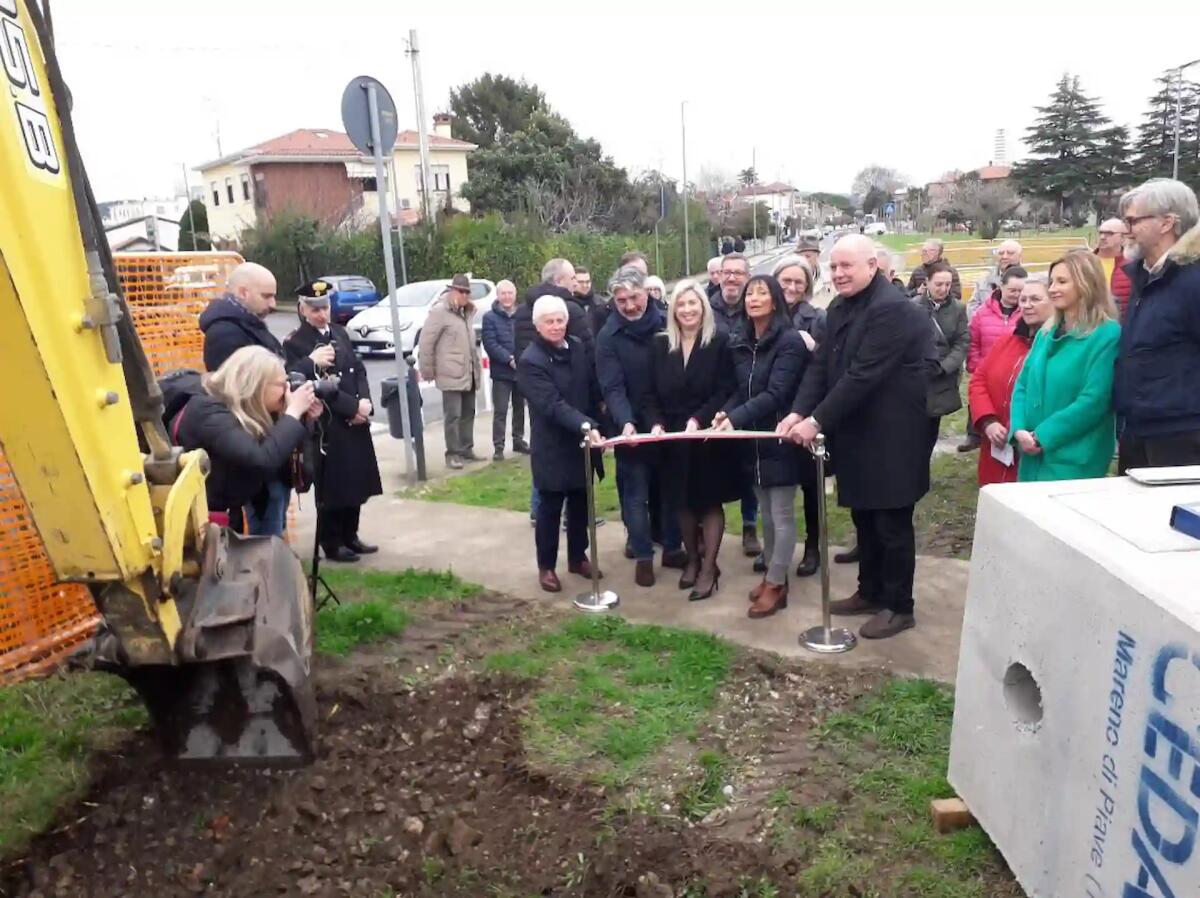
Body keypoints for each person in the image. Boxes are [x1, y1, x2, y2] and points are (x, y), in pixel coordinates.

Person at [780, 234, 933, 640]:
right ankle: (870, 591)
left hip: (892, 437)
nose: (839, 273)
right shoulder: (840, 306)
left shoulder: (892, 311)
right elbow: (821, 366)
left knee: (891, 522)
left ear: (873, 266)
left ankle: (900, 606)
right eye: (833, 267)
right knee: (864, 515)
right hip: (857, 435)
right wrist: (798, 409)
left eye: (847, 266)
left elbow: (863, 375)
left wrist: (815, 422)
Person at [714, 275, 810, 618]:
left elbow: (776, 394)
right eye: (749, 293)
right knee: (766, 514)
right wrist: (727, 410)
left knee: (781, 515)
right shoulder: (742, 340)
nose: (753, 299)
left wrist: (736, 418)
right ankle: (774, 572)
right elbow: (744, 388)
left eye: (761, 293)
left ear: (775, 301)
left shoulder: (789, 341)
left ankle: (775, 584)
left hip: (780, 438)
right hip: (752, 442)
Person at [643, 281, 742, 600]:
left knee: (708, 501)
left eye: (693, 303)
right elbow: (649, 394)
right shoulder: (659, 345)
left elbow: (726, 389)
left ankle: (710, 568)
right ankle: (693, 560)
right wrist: (656, 423)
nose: (687, 310)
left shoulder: (719, 342)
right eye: (681, 304)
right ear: (673, 310)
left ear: (703, 307)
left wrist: (698, 419)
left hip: (707, 435)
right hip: (673, 437)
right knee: (682, 502)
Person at [595, 265, 685, 587]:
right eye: (622, 301)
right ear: (614, 302)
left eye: (634, 297)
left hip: (669, 420)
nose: (630, 306)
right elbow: (612, 386)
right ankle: (644, 556)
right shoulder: (608, 337)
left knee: (671, 489)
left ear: (647, 292)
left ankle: (673, 547)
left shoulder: (667, 321)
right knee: (635, 494)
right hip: (630, 424)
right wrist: (626, 423)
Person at [282, 281, 382, 561]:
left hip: (355, 418)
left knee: (356, 482)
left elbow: (358, 369)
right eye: (315, 310)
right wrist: (351, 408)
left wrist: (365, 402)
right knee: (334, 486)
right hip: (328, 424)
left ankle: (351, 535)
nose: (321, 314)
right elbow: (305, 384)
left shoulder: (339, 331)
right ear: (303, 309)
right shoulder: (296, 342)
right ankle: (332, 541)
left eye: (325, 307)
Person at [175, 346, 321, 532]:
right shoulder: (209, 412)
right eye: (282, 384)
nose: (288, 391)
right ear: (256, 385)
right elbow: (262, 459)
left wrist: (303, 419)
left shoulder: (248, 410)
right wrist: (292, 413)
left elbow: (279, 457)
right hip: (199, 521)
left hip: (227, 512)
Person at [516, 295, 606, 593]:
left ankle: (577, 556)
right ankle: (546, 566)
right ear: (537, 325)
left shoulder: (578, 347)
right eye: (549, 322)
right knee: (550, 509)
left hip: (581, 444)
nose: (556, 326)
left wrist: (599, 421)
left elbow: (591, 388)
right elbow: (551, 404)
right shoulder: (531, 361)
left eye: (560, 320)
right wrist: (585, 425)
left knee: (582, 504)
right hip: (553, 446)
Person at [1009, 250, 1121, 482]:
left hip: (1074, 460)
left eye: (1061, 282)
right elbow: (1023, 384)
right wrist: (1018, 428)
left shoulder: (1107, 335)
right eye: (1051, 282)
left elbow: (1095, 400)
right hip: (1031, 456)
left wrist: (1044, 435)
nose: (1052, 289)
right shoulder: (1045, 332)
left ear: (1085, 284)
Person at [1112, 178, 1200, 471]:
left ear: (1167, 223)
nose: (1127, 229)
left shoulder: (1193, 280)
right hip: (1138, 426)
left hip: (1181, 435)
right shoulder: (1145, 277)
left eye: (1134, 220)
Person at [969, 277, 1053, 487]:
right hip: (997, 447)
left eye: (1035, 298)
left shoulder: (1059, 348)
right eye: (1023, 299)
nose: (1027, 304)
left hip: (1034, 448)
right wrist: (988, 421)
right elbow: (979, 380)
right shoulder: (1007, 341)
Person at [709, 252, 761, 558]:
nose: (731, 279)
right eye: (727, 273)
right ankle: (708, 529)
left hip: (747, 395)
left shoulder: (755, 307)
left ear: (747, 276)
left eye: (738, 273)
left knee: (749, 468)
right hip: (714, 395)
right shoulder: (707, 307)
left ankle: (749, 526)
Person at [417, 274, 483, 470]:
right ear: (452, 291)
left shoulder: (467, 313)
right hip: (449, 371)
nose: (464, 296)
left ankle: (466, 448)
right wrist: (427, 370)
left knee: (469, 412)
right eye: (461, 291)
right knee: (452, 414)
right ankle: (452, 453)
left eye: (467, 292)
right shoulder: (439, 312)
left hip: (468, 370)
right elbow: (426, 342)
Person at [918, 264, 970, 460]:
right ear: (927, 283)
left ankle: (922, 469)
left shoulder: (958, 309)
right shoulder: (912, 306)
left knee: (931, 428)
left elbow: (962, 342)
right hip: (916, 378)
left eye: (947, 284)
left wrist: (944, 367)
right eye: (938, 284)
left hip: (940, 378)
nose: (943, 289)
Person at [199, 261, 283, 371]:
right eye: (266, 296)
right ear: (243, 293)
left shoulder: (246, 324)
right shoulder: (224, 335)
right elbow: (246, 384)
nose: (273, 304)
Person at [481, 279, 529, 461]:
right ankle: (498, 446)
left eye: (510, 293)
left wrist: (522, 359)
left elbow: (528, 338)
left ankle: (518, 440)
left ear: (515, 295)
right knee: (500, 411)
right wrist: (508, 359)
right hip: (501, 372)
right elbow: (490, 343)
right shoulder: (489, 317)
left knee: (519, 408)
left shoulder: (523, 314)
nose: (507, 297)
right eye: (503, 293)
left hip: (521, 370)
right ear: (498, 296)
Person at [513, 258, 592, 363]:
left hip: (529, 375)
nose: (576, 284)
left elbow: (518, 349)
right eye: (573, 278)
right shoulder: (571, 309)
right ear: (559, 281)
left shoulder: (521, 310)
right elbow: (588, 351)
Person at [967, 266, 1026, 376]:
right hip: (986, 375)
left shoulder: (1029, 314)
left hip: (1019, 377)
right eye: (1012, 290)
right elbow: (973, 344)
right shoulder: (981, 313)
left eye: (1021, 291)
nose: (1017, 294)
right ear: (1001, 286)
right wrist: (979, 368)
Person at [968, 239, 1023, 318]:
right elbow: (972, 309)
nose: (1004, 256)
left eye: (1010, 253)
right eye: (1001, 253)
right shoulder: (983, 283)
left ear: (1020, 256)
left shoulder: (1030, 283)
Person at [1095, 218, 1133, 320]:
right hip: (1090, 327)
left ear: (1123, 238)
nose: (1102, 237)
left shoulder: (1133, 266)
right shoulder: (1085, 262)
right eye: (1101, 233)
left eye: (1109, 233)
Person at [797, 237, 835, 309]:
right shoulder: (789, 279)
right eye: (800, 257)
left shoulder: (829, 278)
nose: (803, 260)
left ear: (817, 255)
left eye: (807, 256)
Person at [572, 267, 609, 337]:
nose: (585, 285)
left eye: (587, 282)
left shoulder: (600, 304)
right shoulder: (566, 305)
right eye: (580, 282)